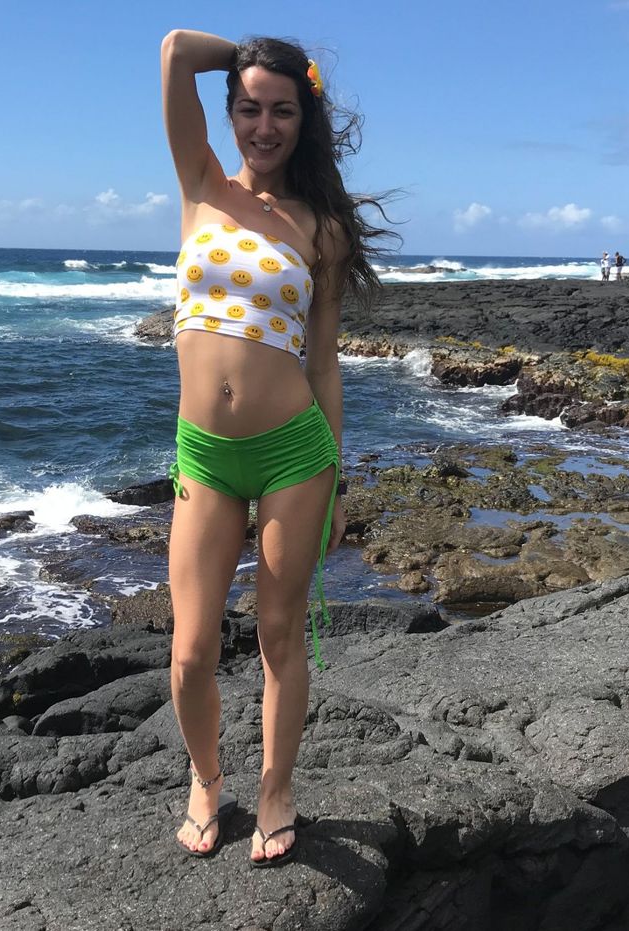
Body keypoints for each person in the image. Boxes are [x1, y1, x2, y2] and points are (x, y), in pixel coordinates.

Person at [160, 29, 395, 866]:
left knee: (278, 635)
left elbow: (323, 362)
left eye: (284, 110)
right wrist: (254, 57)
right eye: (250, 108)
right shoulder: (202, 186)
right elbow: (174, 50)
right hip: (204, 456)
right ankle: (206, 778)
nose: (265, 126)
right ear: (230, 113)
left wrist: (339, 484)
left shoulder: (320, 227)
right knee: (190, 652)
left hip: (296, 452)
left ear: (306, 119)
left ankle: (275, 789)